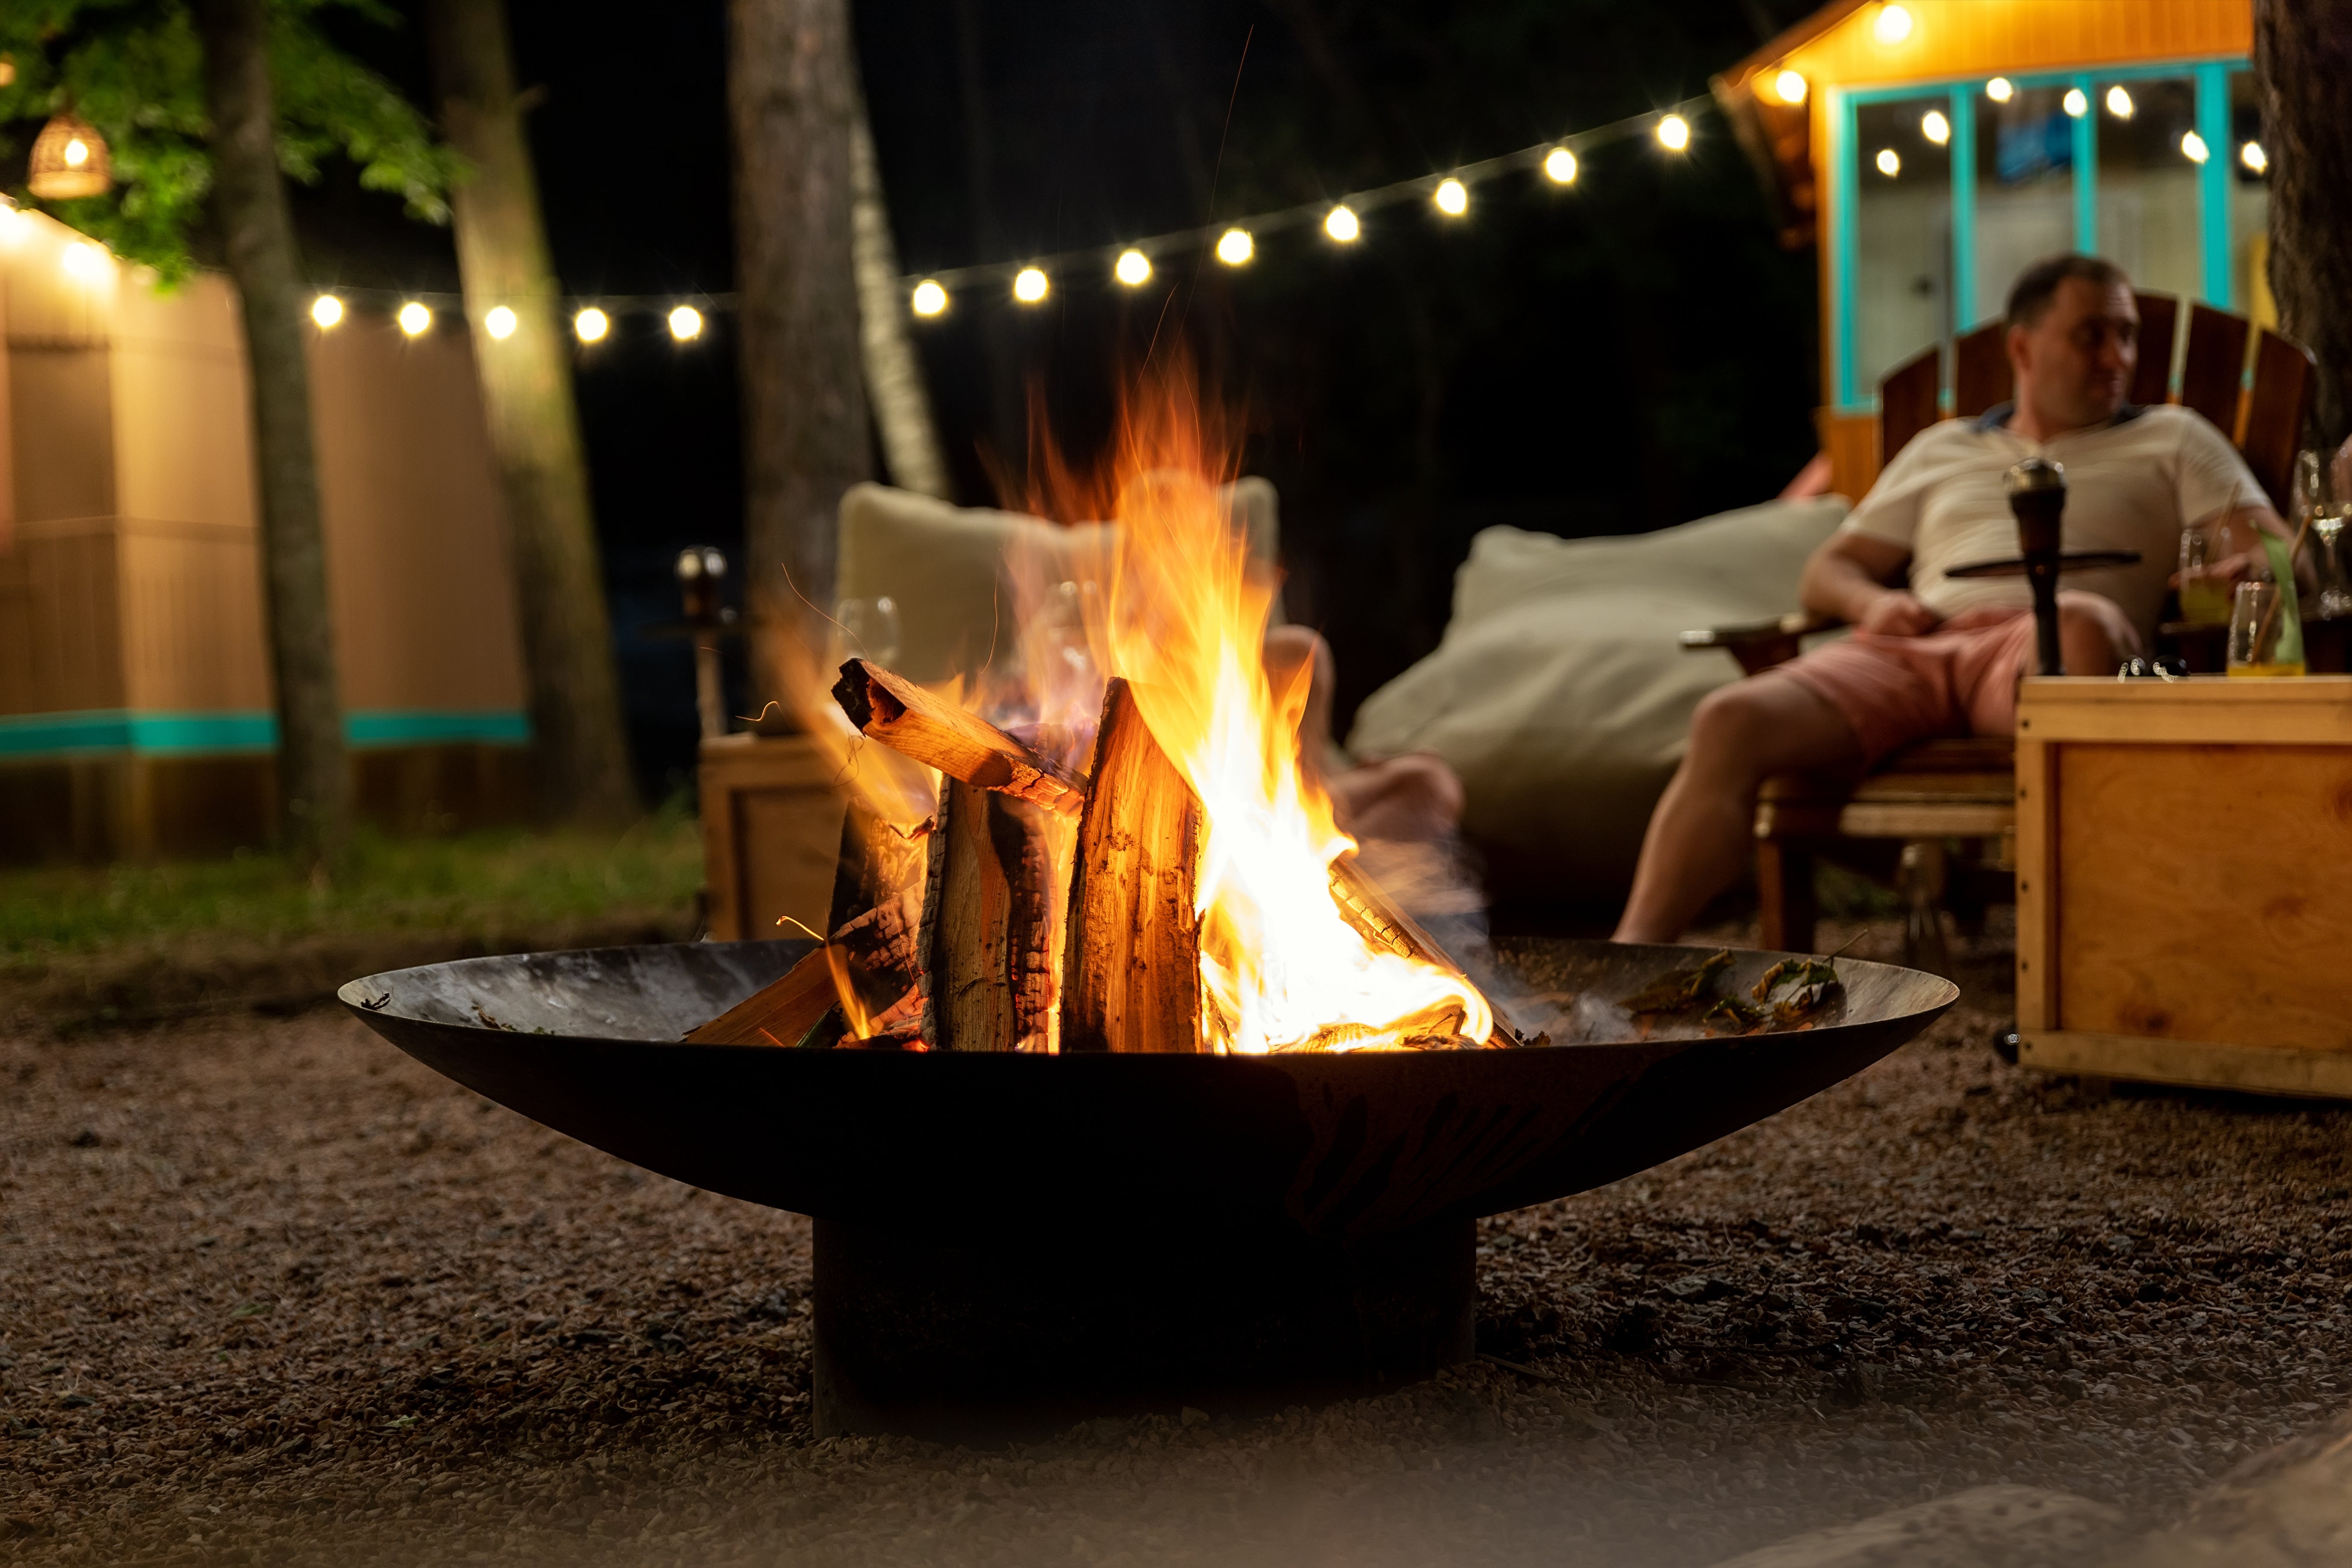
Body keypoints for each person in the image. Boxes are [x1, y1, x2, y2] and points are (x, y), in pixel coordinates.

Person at [1615, 253, 2298, 944]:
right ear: (2022, 347)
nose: (2116, 354)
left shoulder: (2173, 437)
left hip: (2048, 646)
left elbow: (2275, 550)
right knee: (1729, 718)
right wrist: (1871, 606)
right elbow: (1831, 568)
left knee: (2084, 625)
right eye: (2092, 334)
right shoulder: (1941, 447)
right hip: (1917, 645)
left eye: (2127, 334)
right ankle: (1619, 973)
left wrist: (2243, 574)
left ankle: (2098, 955)